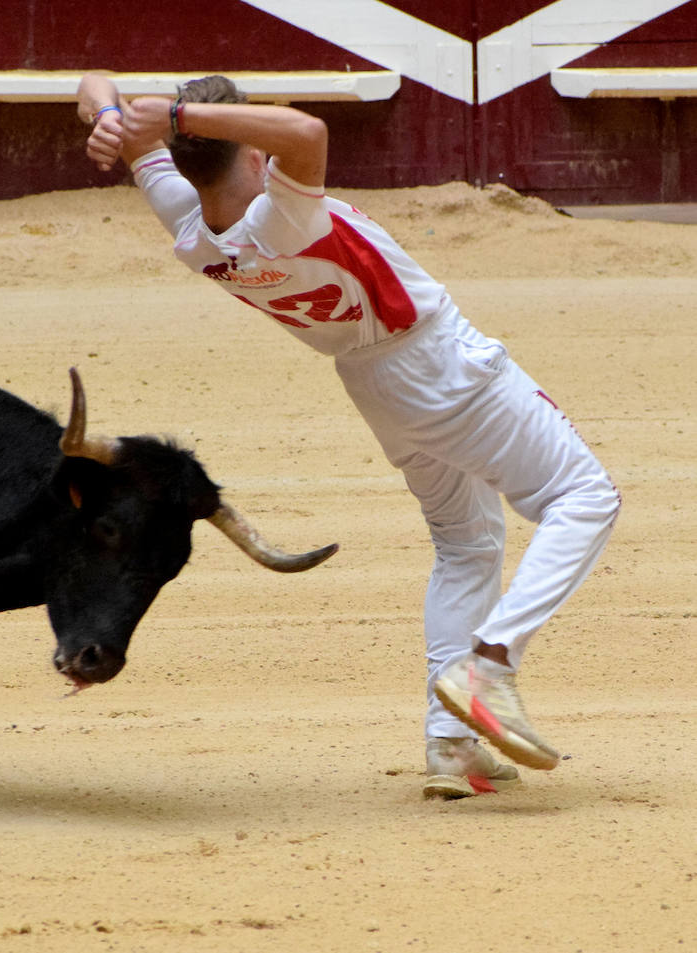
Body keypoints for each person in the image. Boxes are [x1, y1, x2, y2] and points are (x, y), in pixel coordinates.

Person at [75, 72, 621, 799]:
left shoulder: (188, 225)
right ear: (248, 152)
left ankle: (451, 744)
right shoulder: (282, 217)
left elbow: (94, 80)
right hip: (441, 364)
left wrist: (114, 116)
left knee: (466, 543)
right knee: (585, 494)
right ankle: (489, 664)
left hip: (376, 386)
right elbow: (307, 133)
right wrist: (173, 114)